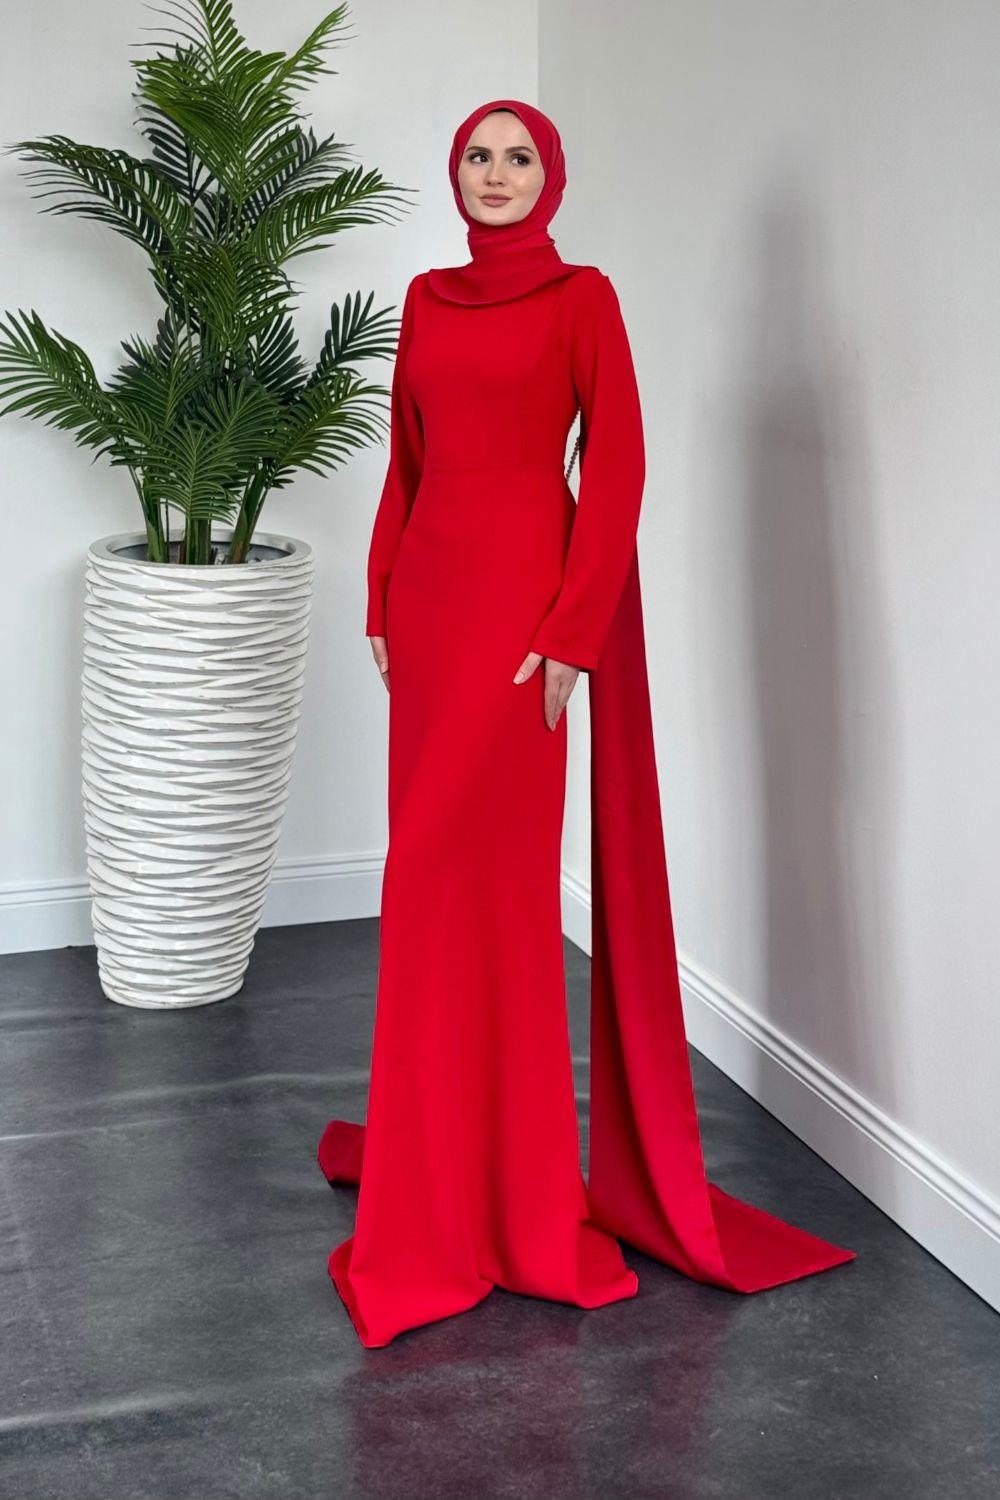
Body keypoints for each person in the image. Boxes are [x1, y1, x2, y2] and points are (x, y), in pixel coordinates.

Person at [317, 98, 856, 1349]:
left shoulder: (583, 300)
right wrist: (379, 592)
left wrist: (571, 633)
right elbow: (404, 461)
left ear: (549, 177)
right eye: (477, 156)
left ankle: (507, 1196)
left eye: (518, 158)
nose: (495, 174)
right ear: (453, 173)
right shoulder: (424, 299)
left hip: (522, 614)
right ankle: (434, 1173)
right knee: (426, 886)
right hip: (432, 606)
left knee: (495, 890)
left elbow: (614, 467)